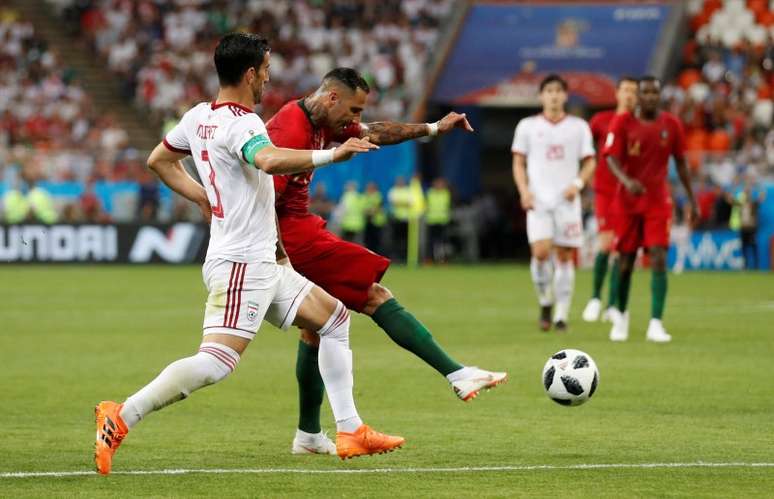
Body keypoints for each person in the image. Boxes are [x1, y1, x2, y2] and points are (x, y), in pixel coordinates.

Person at [93, 33, 404, 476]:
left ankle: (350, 429)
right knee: (214, 364)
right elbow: (271, 161)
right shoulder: (244, 124)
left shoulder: (199, 116)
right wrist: (332, 155)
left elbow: (158, 160)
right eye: (266, 71)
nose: (268, 79)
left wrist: (203, 196)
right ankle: (121, 415)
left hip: (263, 260)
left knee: (334, 318)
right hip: (242, 263)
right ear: (250, 74)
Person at [266, 67, 507, 455]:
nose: (356, 120)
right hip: (292, 237)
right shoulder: (290, 130)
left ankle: (309, 435)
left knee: (314, 329)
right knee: (375, 295)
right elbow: (263, 201)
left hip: (300, 230)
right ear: (332, 99)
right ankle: (458, 374)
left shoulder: (320, 120)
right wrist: (279, 258)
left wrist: (432, 129)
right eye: (354, 110)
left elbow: (373, 132)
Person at [604, 75, 698, 343]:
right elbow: (610, 157)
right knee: (624, 263)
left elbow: (681, 163)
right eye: (645, 93)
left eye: (654, 93)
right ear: (638, 96)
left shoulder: (672, 125)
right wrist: (626, 180)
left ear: (660, 95)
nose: (650, 97)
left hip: (658, 202)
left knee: (658, 257)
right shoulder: (623, 122)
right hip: (627, 203)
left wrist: (691, 200)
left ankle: (656, 322)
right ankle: (621, 315)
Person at [511, 74, 596, 332]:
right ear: (541, 96)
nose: (554, 95)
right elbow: (518, 163)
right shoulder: (527, 126)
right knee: (540, 253)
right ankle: (545, 300)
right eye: (549, 91)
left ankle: (561, 315)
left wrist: (577, 185)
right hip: (538, 200)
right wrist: (524, 191)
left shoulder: (579, 127)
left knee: (565, 257)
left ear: (565, 95)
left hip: (567, 202)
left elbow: (590, 161)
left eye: (558, 90)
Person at [581, 76, 638, 322]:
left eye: (633, 92)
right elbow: (585, 150)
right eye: (625, 90)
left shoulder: (641, 124)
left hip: (630, 196)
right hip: (605, 190)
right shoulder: (600, 121)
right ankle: (595, 298)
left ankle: (613, 305)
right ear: (616, 93)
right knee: (605, 245)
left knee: (622, 250)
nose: (628, 95)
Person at [729, 179, 765, 270]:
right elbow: (729, 199)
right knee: (744, 247)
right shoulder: (741, 204)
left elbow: (762, 196)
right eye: (746, 192)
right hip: (743, 227)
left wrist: (758, 186)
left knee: (753, 246)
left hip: (751, 228)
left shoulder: (753, 203)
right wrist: (733, 187)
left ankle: (756, 265)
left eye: (748, 192)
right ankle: (745, 265)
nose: (747, 195)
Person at [426, 177, 452, 263]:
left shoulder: (446, 193)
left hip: (443, 221)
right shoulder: (430, 193)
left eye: (441, 184)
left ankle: (443, 259)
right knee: (431, 242)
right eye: (438, 183)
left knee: (443, 242)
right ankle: (429, 259)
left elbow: (447, 206)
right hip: (432, 220)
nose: (439, 185)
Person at [388, 176, 411, 260]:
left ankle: (404, 257)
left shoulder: (407, 190)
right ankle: (396, 257)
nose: (400, 183)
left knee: (405, 240)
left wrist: (399, 202)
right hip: (396, 219)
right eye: (399, 181)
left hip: (406, 219)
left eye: (401, 181)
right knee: (396, 240)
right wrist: (403, 203)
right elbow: (393, 202)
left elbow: (410, 203)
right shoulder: (393, 190)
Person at [363, 181, 386, 254]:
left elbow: (376, 208)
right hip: (368, 221)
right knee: (368, 240)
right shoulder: (366, 196)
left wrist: (369, 210)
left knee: (377, 241)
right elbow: (364, 208)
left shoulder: (377, 195)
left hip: (377, 222)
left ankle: (377, 255)